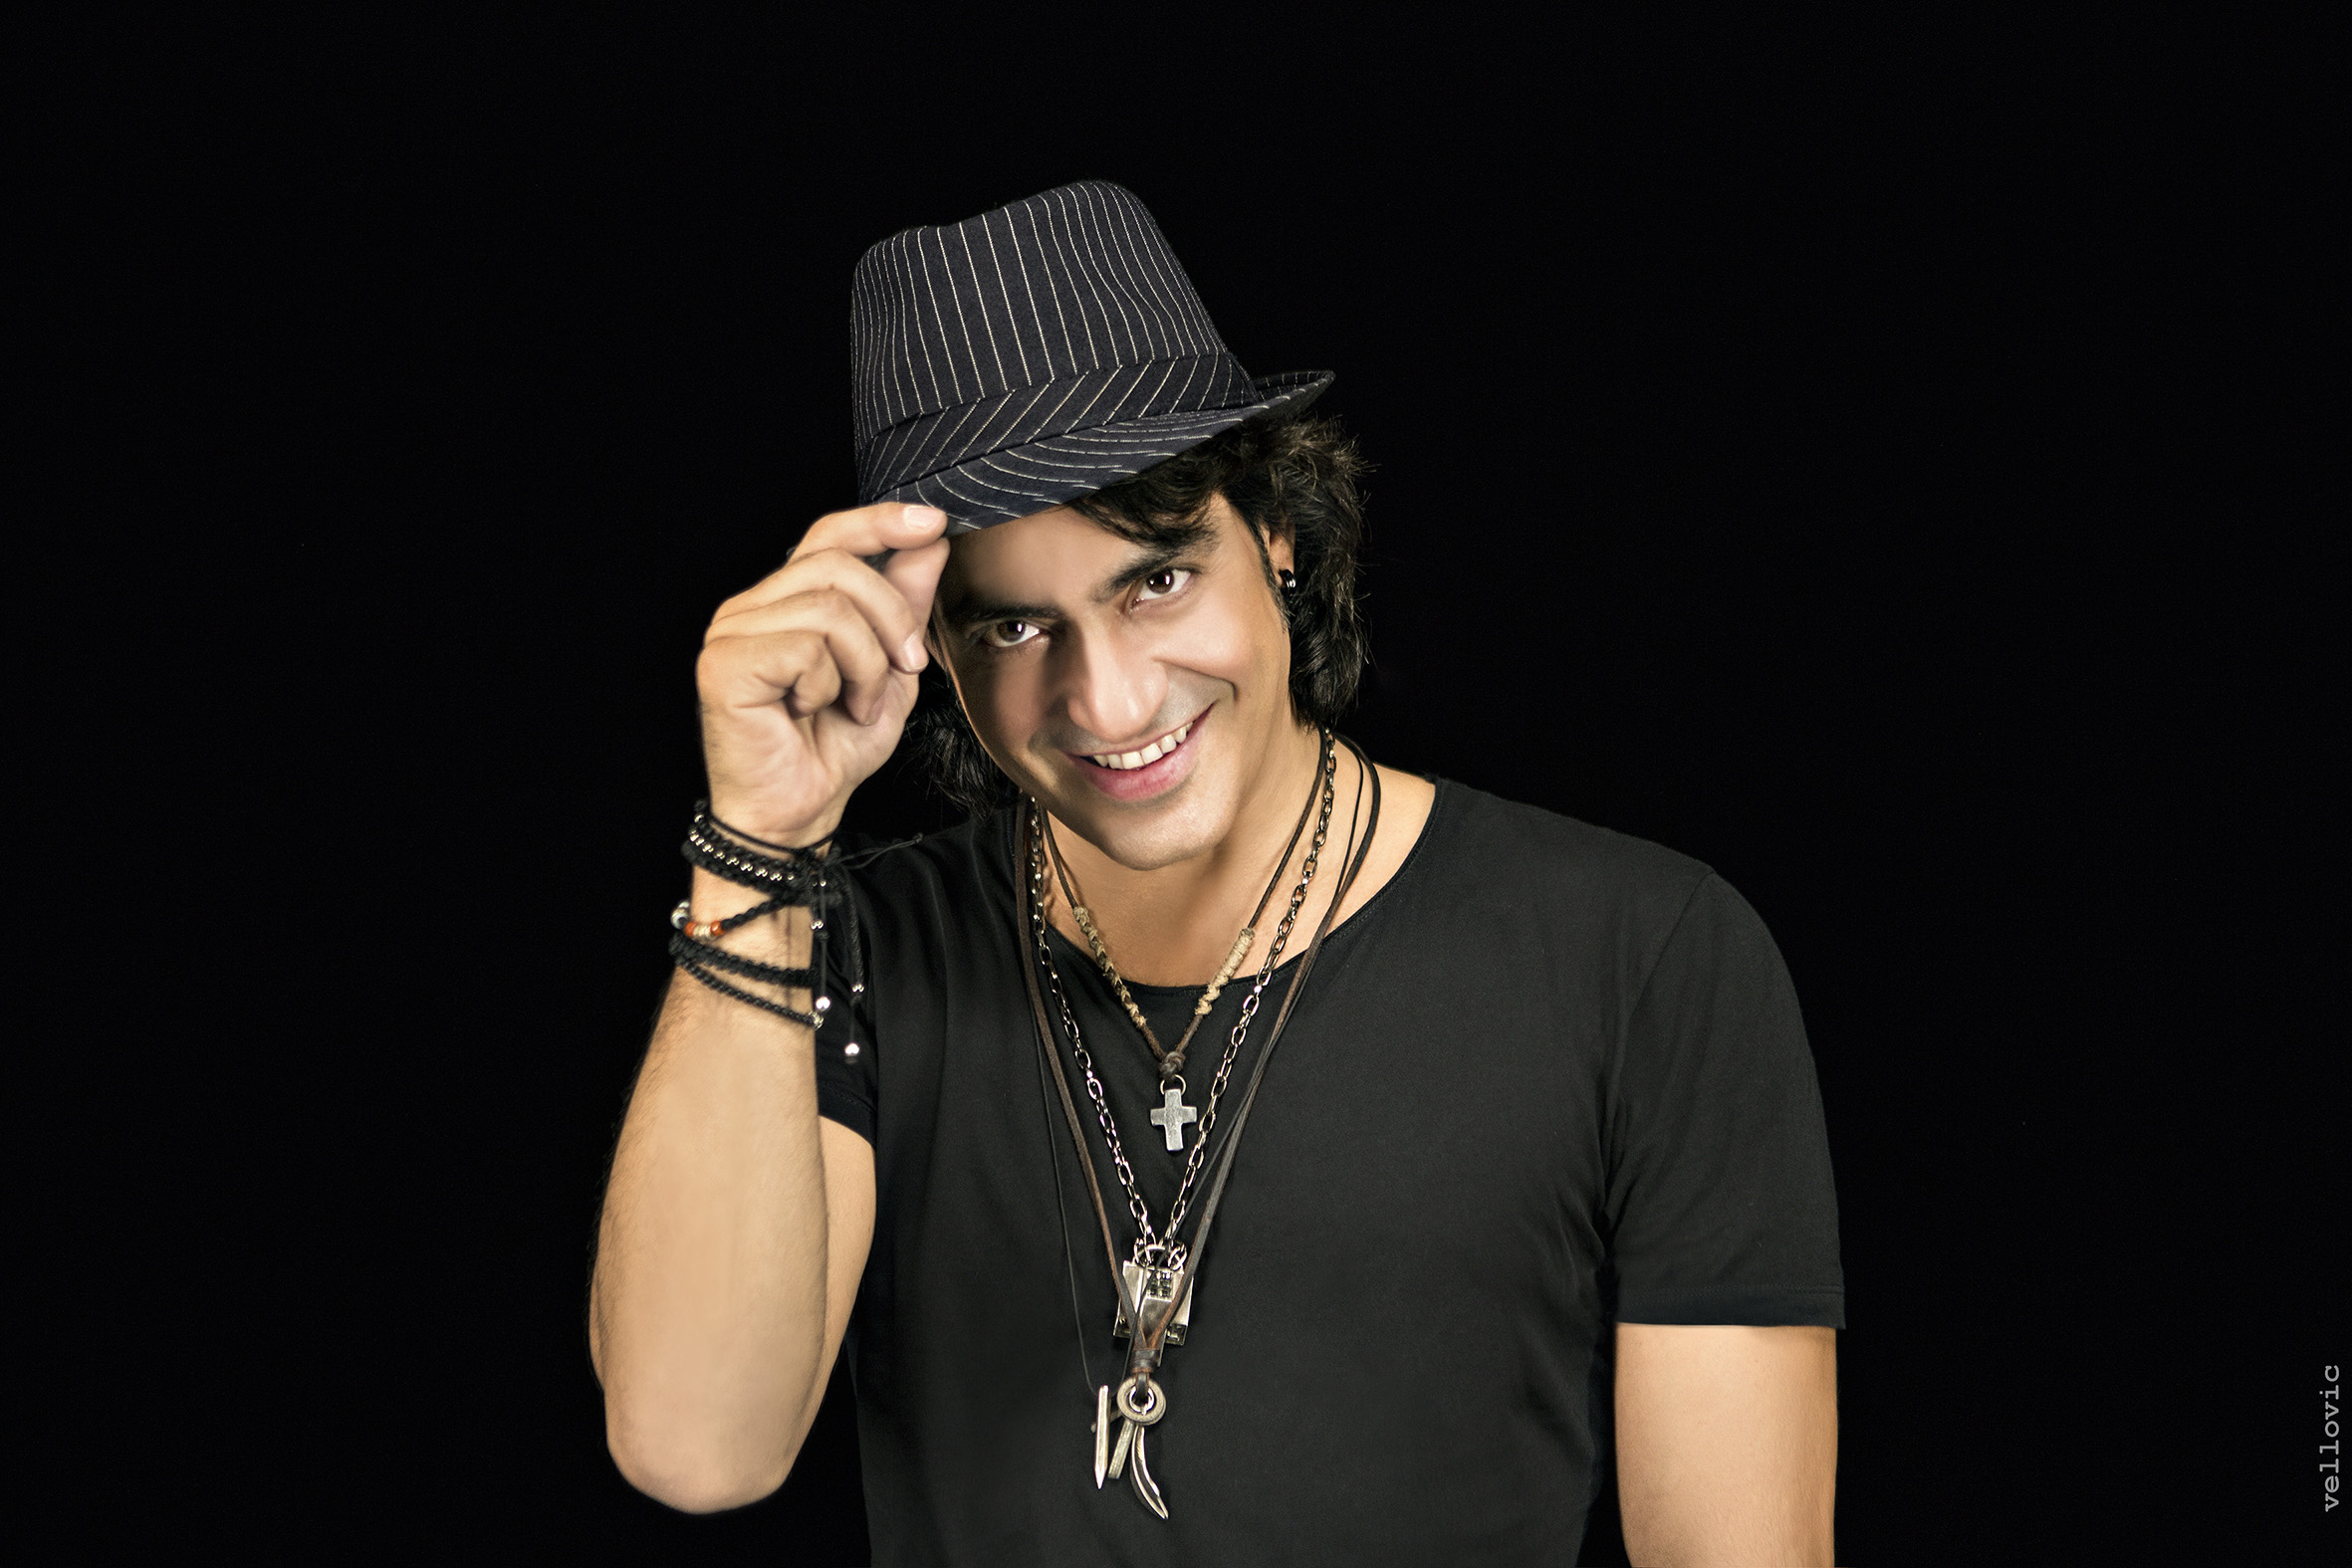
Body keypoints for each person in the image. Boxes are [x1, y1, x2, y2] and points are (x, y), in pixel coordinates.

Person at [589, 180, 1842, 1566]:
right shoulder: (849, 953)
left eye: (1155, 581)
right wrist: (760, 843)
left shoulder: (1643, 957)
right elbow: (695, 1447)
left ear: (1279, 533)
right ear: (930, 649)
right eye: (1014, 629)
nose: (1111, 703)